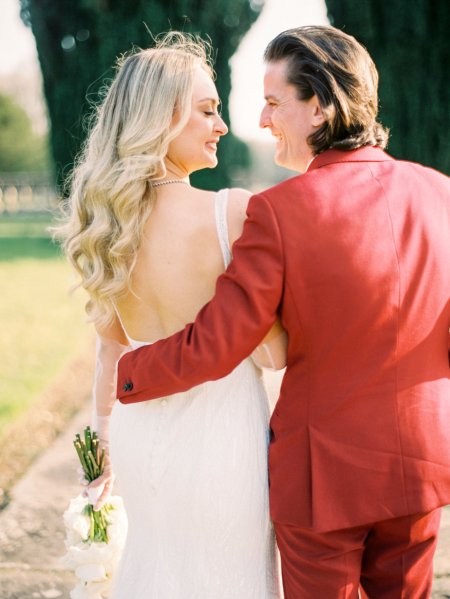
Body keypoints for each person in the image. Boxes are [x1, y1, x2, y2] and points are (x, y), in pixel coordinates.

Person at [117, 25, 450, 598]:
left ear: (318, 108)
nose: (264, 120)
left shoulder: (279, 212)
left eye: (273, 102)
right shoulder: (440, 193)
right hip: (420, 466)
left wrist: (129, 372)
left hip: (324, 481)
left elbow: (216, 344)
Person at [57, 32, 284, 598]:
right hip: (225, 431)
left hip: (140, 433)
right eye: (208, 111)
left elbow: (111, 353)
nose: (223, 125)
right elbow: (273, 351)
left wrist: (102, 444)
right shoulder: (231, 213)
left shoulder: (109, 228)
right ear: (162, 119)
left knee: (156, 570)